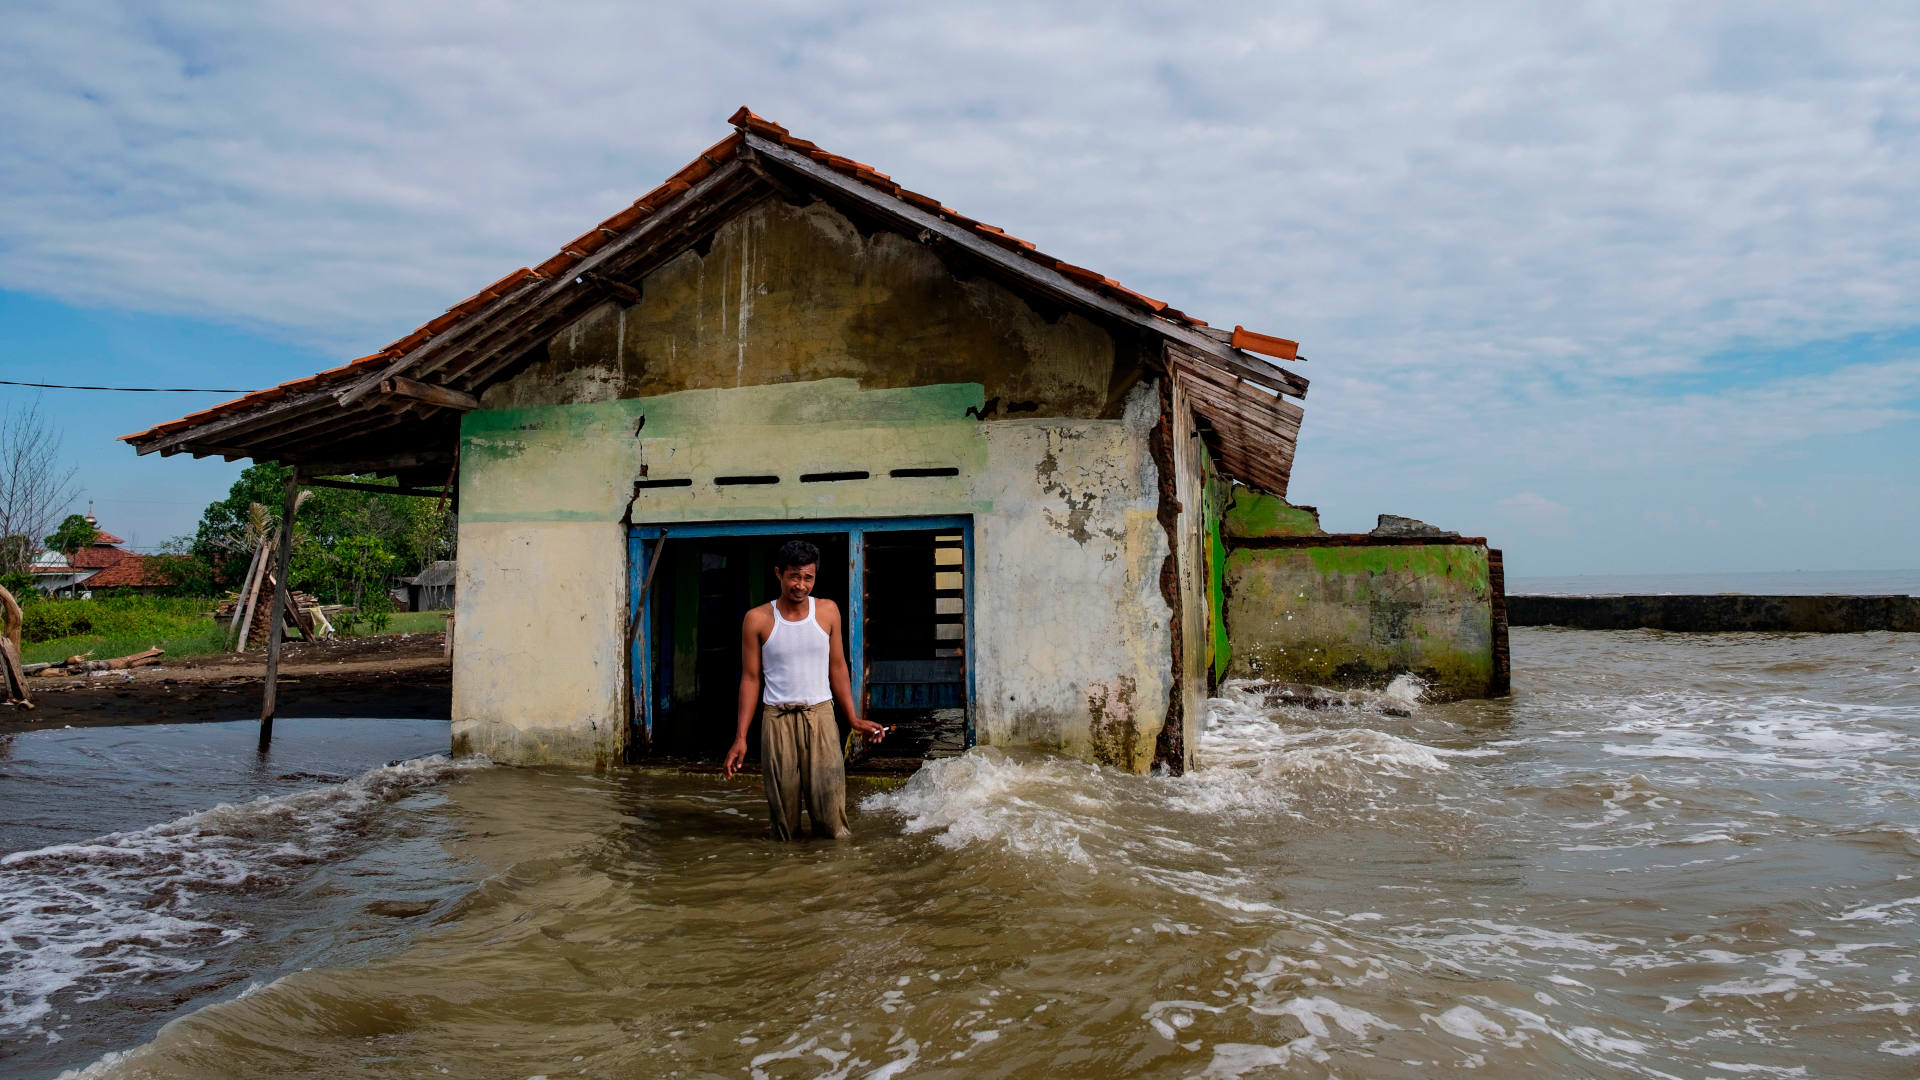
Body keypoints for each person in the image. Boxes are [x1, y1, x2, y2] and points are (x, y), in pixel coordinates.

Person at [722, 539, 887, 839]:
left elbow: (837, 667)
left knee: (831, 816)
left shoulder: (827, 612)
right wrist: (741, 738)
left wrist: (853, 718)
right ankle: (787, 878)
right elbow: (750, 679)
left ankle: (833, 879)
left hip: (821, 717)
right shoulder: (757, 619)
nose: (800, 585)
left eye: (808, 577)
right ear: (779, 574)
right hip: (776, 719)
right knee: (783, 820)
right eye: (794, 576)